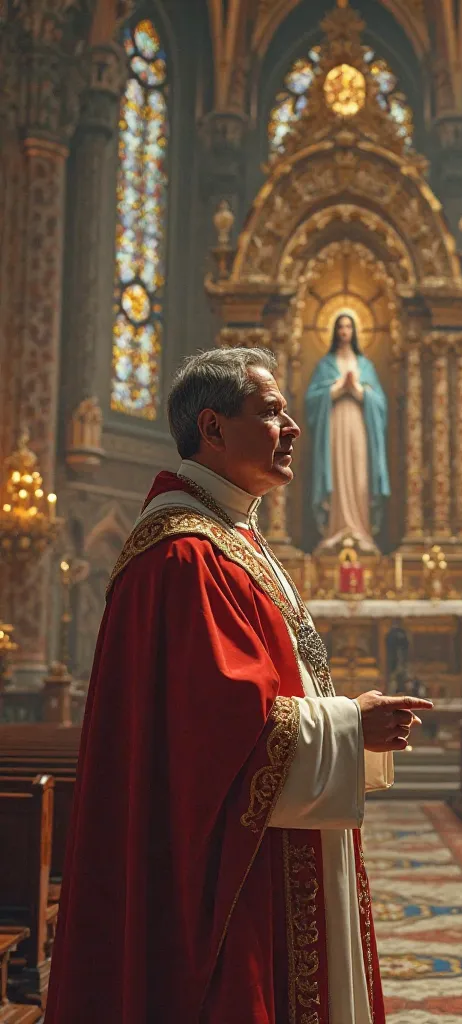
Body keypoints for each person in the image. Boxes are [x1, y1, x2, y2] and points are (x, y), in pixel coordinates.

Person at [45, 347, 431, 1024]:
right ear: (212, 428)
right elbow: (216, 737)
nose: (292, 427)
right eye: (272, 410)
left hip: (273, 855)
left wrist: (346, 724)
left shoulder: (227, 537)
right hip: (235, 888)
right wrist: (348, 726)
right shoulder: (184, 555)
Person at [305, 313, 390, 551]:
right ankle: (336, 529)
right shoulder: (325, 365)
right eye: (340, 326)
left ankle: (360, 530)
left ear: (354, 331)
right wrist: (337, 389)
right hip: (334, 426)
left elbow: (380, 404)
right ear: (335, 331)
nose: (344, 331)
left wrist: (360, 392)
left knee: (359, 473)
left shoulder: (365, 365)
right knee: (338, 471)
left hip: (359, 426)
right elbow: (312, 400)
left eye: (349, 326)